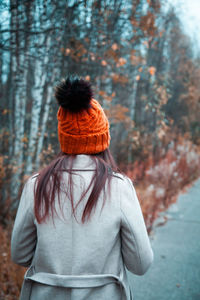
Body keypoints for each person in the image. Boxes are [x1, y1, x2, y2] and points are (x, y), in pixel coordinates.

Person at [11, 75, 154, 300]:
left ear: (63, 139)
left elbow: (20, 255)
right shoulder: (119, 187)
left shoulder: (36, 185)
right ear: (103, 139)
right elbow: (140, 264)